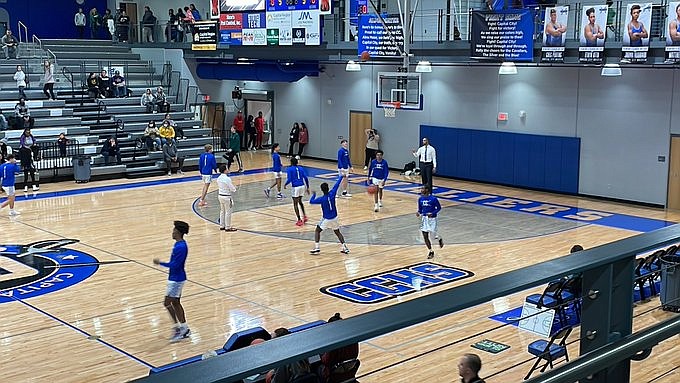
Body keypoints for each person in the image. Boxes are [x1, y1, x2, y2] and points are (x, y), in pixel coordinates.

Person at [153, 220, 191, 343]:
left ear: (179, 232)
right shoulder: (178, 245)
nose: (172, 232)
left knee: (167, 303)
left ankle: (178, 328)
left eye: (174, 230)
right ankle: (184, 328)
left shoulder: (181, 247)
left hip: (176, 279)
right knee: (175, 303)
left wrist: (161, 263)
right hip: (175, 278)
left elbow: (176, 264)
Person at [309, 176, 350, 254]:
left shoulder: (321, 199)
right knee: (337, 232)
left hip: (327, 219)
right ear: (328, 188)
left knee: (317, 231)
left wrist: (314, 194)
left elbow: (311, 201)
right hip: (335, 217)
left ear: (322, 190)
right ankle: (345, 247)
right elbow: (337, 184)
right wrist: (341, 176)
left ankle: (317, 248)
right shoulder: (332, 193)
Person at [318, 313, 360, 383]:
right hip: (349, 371)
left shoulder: (334, 343)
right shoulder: (353, 340)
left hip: (335, 375)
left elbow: (326, 361)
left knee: (316, 368)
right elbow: (356, 355)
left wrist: (321, 354)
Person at [417, 185, 444, 259]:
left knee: (432, 236)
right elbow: (420, 209)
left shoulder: (433, 199)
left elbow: (439, 208)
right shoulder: (420, 199)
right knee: (425, 236)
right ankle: (431, 251)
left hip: (432, 219)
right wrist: (418, 212)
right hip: (424, 219)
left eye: (423, 188)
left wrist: (432, 213)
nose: (421, 190)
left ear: (427, 190)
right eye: (421, 188)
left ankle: (439, 238)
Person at [284, 157, 309, 226]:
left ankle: (299, 220)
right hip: (302, 186)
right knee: (300, 202)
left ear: (291, 162)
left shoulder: (289, 169)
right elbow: (306, 178)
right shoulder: (301, 168)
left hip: (296, 187)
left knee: (295, 204)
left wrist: (285, 184)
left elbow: (289, 179)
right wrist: (308, 187)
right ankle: (304, 216)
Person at [216, 164, 237, 232]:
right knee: (228, 212)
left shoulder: (218, 178)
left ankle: (222, 225)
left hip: (220, 196)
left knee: (222, 211)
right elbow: (232, 189)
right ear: (225, 170)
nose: (228, 169)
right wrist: (235, 188)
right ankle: (227, 227)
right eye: (227, 168)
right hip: (227, 197)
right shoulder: (227, 179)